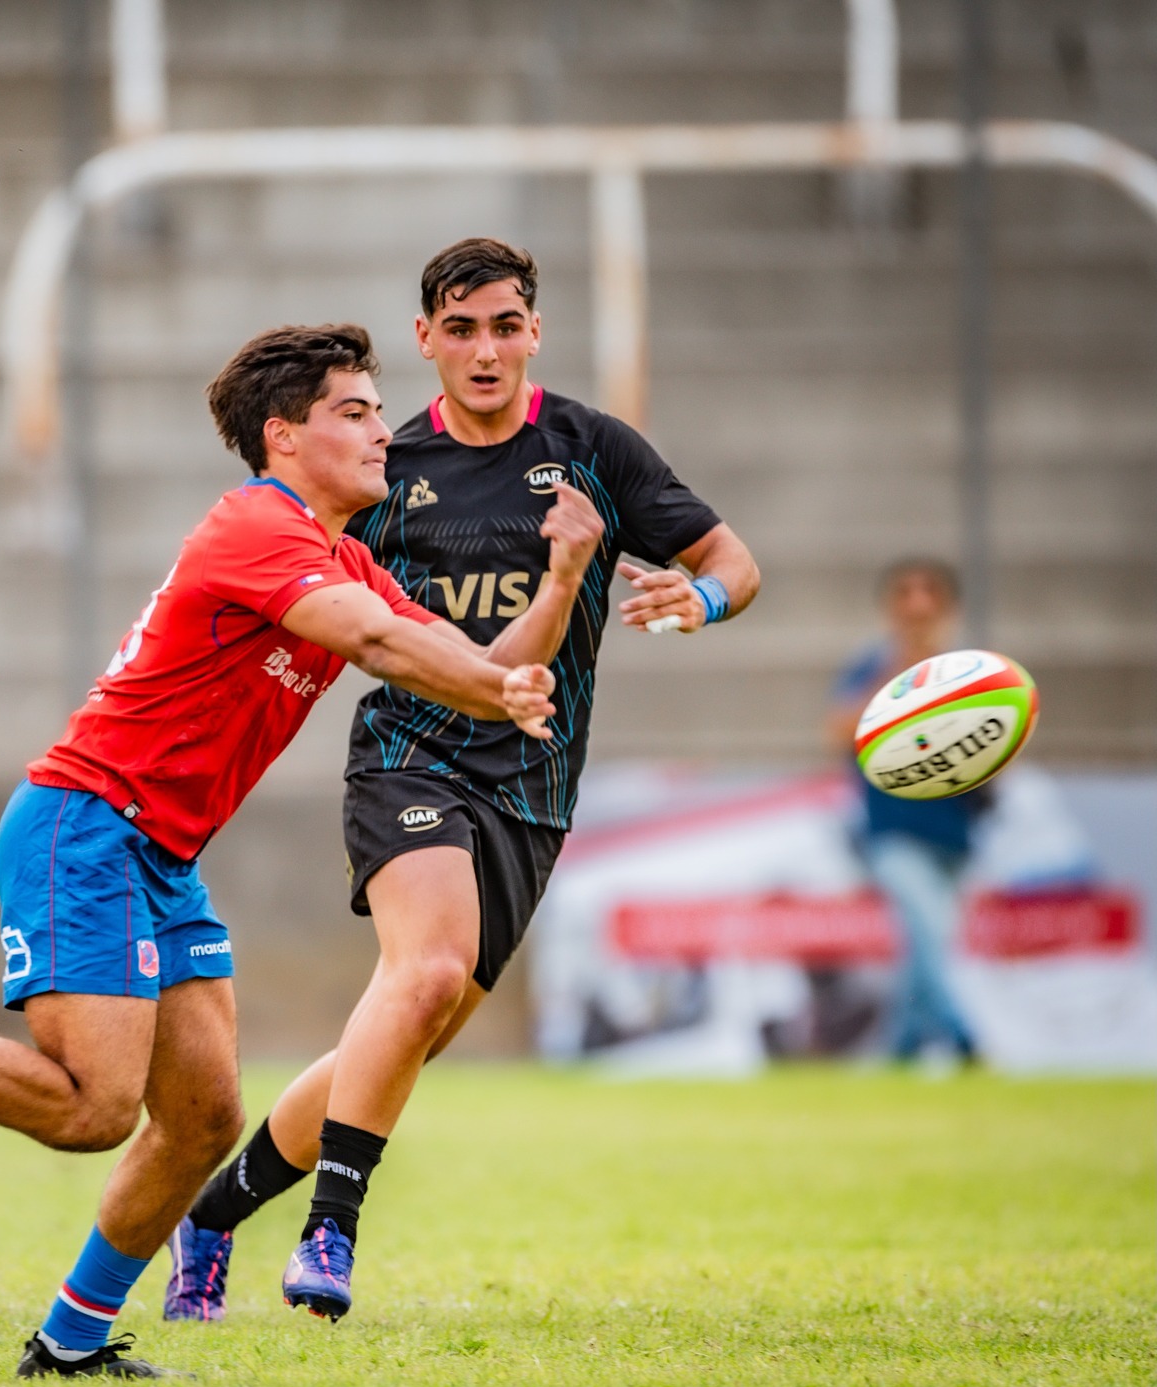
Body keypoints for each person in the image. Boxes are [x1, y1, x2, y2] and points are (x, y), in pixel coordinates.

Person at [0, 323, 601, 1379]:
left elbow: (463, 663)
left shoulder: (342, 555)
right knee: (89, 1108)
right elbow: (380, 646)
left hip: (157, 853)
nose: (377, 433)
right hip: (83, 824)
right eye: (352, 412)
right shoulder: (256, 527)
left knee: (202, 1116)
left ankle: (69, 1345)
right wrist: (499, 688)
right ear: (283, 438)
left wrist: (556, 589)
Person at [165, 238, 762, 1324]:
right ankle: (330, 1231)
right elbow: (339, 605)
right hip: (410, 755)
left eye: (503, 326)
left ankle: (207, 1220)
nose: (483, 350)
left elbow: (733, 562)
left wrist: (701, 603)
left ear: (532, 331)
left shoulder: (592, 450)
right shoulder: (379, 471)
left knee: (397, 1033)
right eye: (459, 328)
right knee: (427, 971)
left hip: (532, 790)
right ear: (423, 340)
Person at [827, 559, 983, 1064]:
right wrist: (896, 674)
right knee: (930, 927)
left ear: (947, 606)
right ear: (890, 608)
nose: (917, 604)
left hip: (955, 832)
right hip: (892, 830)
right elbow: (837, 732)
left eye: (929, 593)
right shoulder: (872, 668)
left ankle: (904, 1046)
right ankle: (964, 1040)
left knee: (923, 943)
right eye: (905, 594)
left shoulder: (969, 673)